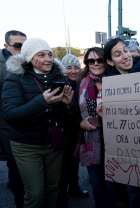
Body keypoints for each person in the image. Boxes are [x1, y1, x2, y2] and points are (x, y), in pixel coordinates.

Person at [2, 38, 73, 208]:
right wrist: (41, 101)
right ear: (29, 58)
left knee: (53, 188)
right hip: (26, 145)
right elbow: (10, 114)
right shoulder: (16, 78)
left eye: (49, 54)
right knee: (35, 193)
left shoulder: (59, 77)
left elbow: (66, 115)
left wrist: (68, 104)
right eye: (41, 55)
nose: (48, 59)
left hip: (53, 143)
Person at [103, 37, 140, 208]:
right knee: (119, 194)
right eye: (117, 54)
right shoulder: (106, 83)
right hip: (119, 147)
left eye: (126, 51)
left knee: (138, 194)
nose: (125, 56)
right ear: (110, 61)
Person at [57, 54, 88, 208]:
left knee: (74, 163)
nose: (74, 71)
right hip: (65, 133)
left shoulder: (80, 83)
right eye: (69, 68)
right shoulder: (60, 85)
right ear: (63, 69)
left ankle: (74, 188)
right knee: (65, 166)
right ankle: (64, 195)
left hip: (77, 131)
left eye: (76, 67)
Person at [78, 47, 108, 208]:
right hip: (91, 141)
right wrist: (79, 123)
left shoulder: (115, 79)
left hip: (114, 140)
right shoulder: (81, 83)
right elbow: (73, 112)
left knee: (113, 185)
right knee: (96, 185)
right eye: (91, 60)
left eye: (99, 60)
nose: (95, 63)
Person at [0, 30, 26, 208]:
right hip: (6, 124)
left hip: (24, 121)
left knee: (17, 165)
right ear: (6, 45)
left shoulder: (26, 61)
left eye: (24, 45)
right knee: (15, 164)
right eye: (18, 46)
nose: (21, 49)